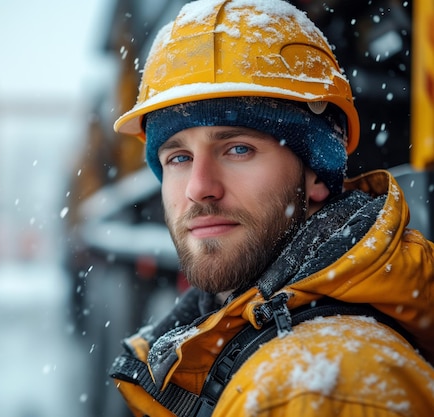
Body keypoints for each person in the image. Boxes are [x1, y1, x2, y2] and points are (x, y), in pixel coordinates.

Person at [107, 0, 434, 416]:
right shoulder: (261, 352)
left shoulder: (315, 391)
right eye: (178, 158)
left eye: (238, 149)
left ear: (316, 171)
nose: (199, 188)